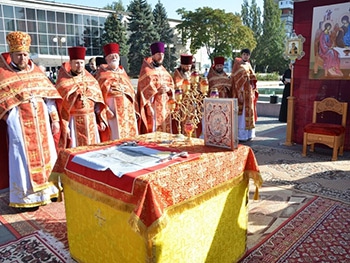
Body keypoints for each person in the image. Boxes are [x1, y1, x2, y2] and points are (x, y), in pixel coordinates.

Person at [0, 32, 62, 209]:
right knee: (22, 160)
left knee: (47, 156)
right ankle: (26, 199)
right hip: (19, 125)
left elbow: (49, 99)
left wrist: (55, 120)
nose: (23, 57)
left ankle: (48, 192)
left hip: (41, 122)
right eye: (19, 54)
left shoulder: (37, 73)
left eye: (25, 54)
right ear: (11, 54)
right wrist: (10, 120)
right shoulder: (4, 74)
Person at [55, 46, 108, 149]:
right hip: (73, 121)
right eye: (76, 63)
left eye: (81, 63)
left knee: (93, 148)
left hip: (90, 119)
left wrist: (101, 119)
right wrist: (66, 126)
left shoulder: (91, 80)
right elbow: (61, 107)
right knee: (76, 148)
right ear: (70, 64)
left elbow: (98, 102)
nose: (79, 65)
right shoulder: (63, 82)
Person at [95, 43, 139, 140]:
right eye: (111, 56)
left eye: (116, 56)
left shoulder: (123, 73)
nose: (114, 57)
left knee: (131, 140)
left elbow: (132, 92)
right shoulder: (102, 75)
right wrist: (105, 110)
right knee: (115, 137)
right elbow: (97, 96)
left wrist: (134, 109)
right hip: (112, 110)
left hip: (128, 111)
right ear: (106, 59)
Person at [137, 41, 175, 134]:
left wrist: (169, 90)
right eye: (158, 54)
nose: (161, 56)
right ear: (153, 55)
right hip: (153, 107)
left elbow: (172, 86)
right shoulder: (147, 71)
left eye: (162, 54)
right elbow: (143, 92)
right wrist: (156, 92)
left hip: (166, 107)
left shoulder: (165, 72)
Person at [231, 48, 258, 142]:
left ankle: (249, 134)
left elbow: (253, 78)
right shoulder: (237, 65)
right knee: (242, 114)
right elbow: (235, 79)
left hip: (249, 92)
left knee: (249, 111)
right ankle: (241, 135)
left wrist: (253, 89)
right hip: (241, 92)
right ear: (241, 55)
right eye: (244, 54)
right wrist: (239, 93)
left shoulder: (249, 64)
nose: (245, 56)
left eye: (247, 55)